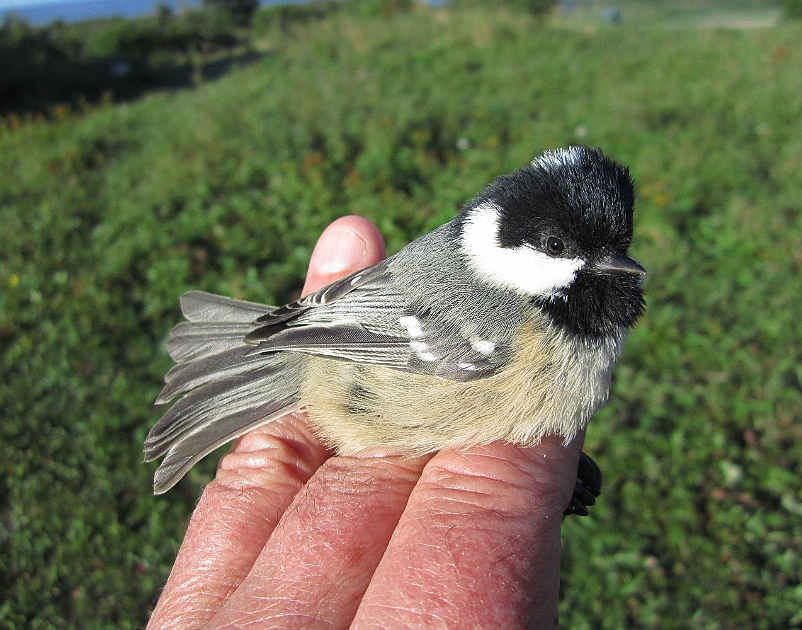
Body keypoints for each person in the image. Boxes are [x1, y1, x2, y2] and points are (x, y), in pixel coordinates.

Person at [146, 216, 585, 629]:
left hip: (351, 318)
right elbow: (381, 327)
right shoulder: (519, 320)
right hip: (359, 365)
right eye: (561, 248)